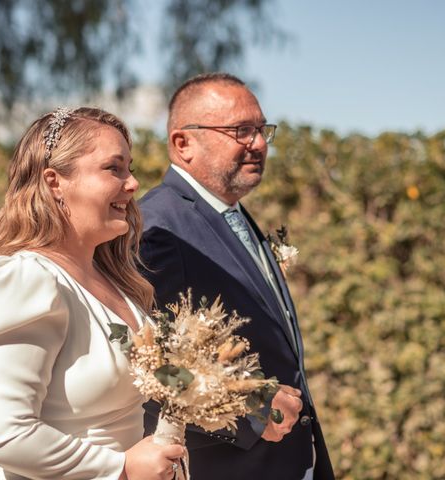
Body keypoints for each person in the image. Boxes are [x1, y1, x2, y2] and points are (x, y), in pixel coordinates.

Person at [0, 107, 185, 480]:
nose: (132, 184)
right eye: (113, 168)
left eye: (129, 169)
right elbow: (5, 434)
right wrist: (121, 467)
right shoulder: (25, 279)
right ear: (54, 182)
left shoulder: (118, 284)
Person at [139, 73, 335, 479]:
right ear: (183, 143)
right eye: (240, 131)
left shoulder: (232, 214)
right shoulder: (159, 227)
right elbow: (149, 364)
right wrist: (251, 411)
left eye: (262, 130)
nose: (259, 144)